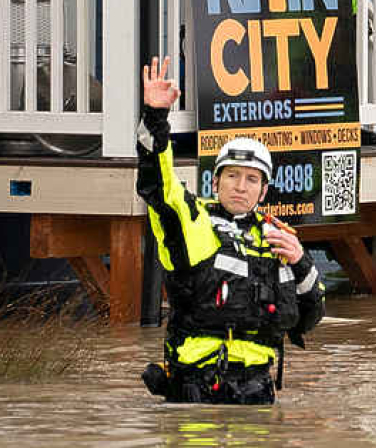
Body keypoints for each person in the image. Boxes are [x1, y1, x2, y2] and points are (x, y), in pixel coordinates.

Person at [136, 56, 325, 404]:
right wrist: (155, 117)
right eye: (232, 176)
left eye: (251, 179)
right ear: (216, 181)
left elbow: (309, 317)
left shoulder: (279, 238)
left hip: (256, 392)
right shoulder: (193, 222)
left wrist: (301, 262)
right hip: (197, 390)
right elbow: (157, 184)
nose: (241, 186)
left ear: (264, 191)